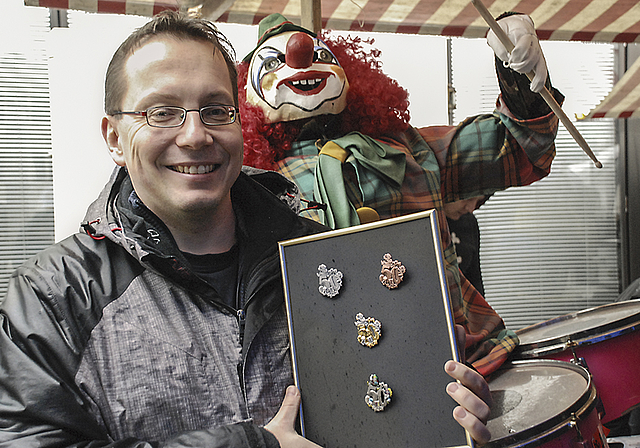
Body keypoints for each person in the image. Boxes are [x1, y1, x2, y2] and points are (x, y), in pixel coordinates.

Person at [0, 11, 492, 447]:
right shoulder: (53, 298)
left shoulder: (321, 257)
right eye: (162, 112)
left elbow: (380, 408)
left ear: (240, 122)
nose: (195, 135)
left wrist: (439, 410)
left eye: (216, 110)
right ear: (114, 137)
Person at [237, 12, 564, 376]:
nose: (300, 57)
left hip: (471, 366)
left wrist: (517, 71)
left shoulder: (412, 150)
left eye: (321, 55)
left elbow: (517, 145)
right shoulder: (249, 186)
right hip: (341, 391)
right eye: (272, 61)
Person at [445, 196, 489, 295]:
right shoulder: (418, 220)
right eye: (467, 198)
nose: (471, 208)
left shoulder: (469, 222)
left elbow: (474, 280)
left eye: (478, 201)